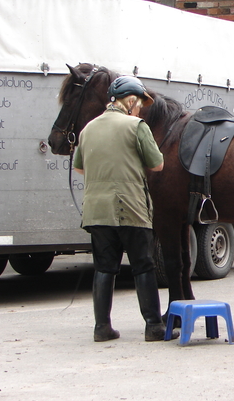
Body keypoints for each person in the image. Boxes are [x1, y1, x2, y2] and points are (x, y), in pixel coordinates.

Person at [73, 75, 179, 341]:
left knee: (104, 267)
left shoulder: (88, 129)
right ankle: (154, 326)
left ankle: (102, 328)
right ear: (130, 101)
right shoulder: (136, 126)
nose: (140, 109)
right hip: (130, 207)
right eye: (139, 104)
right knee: (143, 265)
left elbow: (79, 167)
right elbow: (157, 164)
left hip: (97, 210)